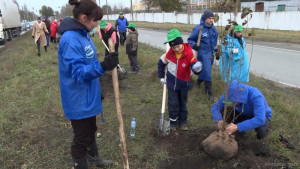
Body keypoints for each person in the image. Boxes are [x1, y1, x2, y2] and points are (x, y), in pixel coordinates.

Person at [58, 0, 119, 168]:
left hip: (88, 94)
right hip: (78, 99)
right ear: (84, 17)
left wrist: (96, 88)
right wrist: (103, 65)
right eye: (95, 20)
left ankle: (94, 157)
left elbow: (87, 64)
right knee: (81, 138)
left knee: (91, 130)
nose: (97, 24)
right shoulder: (71, 39)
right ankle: (80, 163)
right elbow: (78, 72)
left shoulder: (83, 34)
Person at [158, 29, 202, 131]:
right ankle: (173, 123)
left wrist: (197, 68)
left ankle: (183, 122)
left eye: (178, 46)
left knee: (183, 104)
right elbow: (160, 64)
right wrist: (161, 77)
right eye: (173, 47)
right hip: (171, 84)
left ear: (182, 43)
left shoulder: (189, 54)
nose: (176, 49)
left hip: (184, 85)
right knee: (173, 104)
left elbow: (194, 64)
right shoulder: (168, 55)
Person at [188, 9, 218, 100]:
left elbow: (215, 42)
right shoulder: (199, 28)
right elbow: (190, 40)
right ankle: (209, 93)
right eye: (209, 18)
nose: (211, 20)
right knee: (207, 72)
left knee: (205, 70)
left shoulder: (213, 29)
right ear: (205, 18)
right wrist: (194, 46)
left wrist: (217, 52)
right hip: (203, 53)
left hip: (211, 53)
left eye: (213, 18)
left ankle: (197, 83)